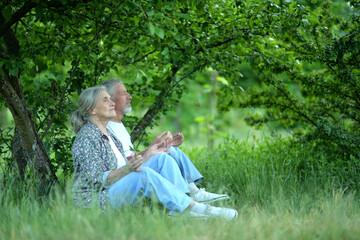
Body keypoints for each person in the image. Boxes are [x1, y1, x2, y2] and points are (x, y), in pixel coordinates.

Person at [70, 85, 238, 220]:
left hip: (117, 184)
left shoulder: (109, 134)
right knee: (144, 175)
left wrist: (151, 152)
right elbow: (93, 180)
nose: (112, 102)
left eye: (110, 98)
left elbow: (126, 164)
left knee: (161, 159)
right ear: (92, 110)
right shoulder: (86, 138)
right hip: (96, 200)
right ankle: (199, 208)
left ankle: (179, 210)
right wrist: (129, 169)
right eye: (105, 100)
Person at [99, 78, 230, 203]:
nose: (129, 96)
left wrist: (158, 146)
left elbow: (130, 156)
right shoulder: (108, 127)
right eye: (123, 93)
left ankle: (193, 192)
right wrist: (153, 149)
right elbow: (125, 164)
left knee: (170, 149)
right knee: (163, 156)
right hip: (125, 176)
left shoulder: (118, 125)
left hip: (131, 169)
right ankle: (184, 201)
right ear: (111, 100)